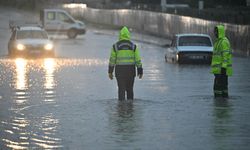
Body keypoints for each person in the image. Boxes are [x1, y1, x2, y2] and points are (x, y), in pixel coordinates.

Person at [108, 26, 143, 100]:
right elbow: (138, 60)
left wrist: (110, 72)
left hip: (120, 71)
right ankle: (130, 108)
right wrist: (140, 71)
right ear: (128, 35)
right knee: (130, 90)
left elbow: (112, 60)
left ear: (120, 35)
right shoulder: (133, 46)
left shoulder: (115, 46)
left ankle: (121, 108)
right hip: (130, 71)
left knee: (121, 90)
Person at [211, 25, 233, 98]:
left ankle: (219, 103)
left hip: (222, 70)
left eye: (216, 32)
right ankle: (223, 101)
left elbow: (225, 56)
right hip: (219, 70)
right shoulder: (218, 42)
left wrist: (223, 68)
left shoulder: (223, 42)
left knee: (218, 88)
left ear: (220, 32)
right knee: (222, 87)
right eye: (214, 32)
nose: (215, 33)